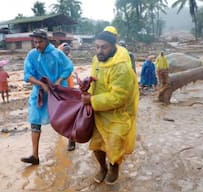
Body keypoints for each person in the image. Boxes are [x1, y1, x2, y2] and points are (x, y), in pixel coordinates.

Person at [81, 31, 139, 184]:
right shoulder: (96, 60)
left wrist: (92, 100)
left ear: (114, 46)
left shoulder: (122, 68)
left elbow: (119, 98)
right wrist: (87, 83)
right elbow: (95, 79)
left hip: (118, 114)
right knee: (97, 144)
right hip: (98, 112)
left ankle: (114, 168)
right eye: (97, 47)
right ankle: (102, 167)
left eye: (104, 47)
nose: (99, 51)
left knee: (114, 145)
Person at [21, 29, 73, 165]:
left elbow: (68, 67)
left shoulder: (57, 54)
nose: (37, 45)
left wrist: (58, 81)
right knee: (35, 120)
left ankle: (71, 138)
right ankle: (35, 156)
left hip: (57, 92)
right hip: (40, 93)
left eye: (40, 42)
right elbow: (27, 75)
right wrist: (41, 85)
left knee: (64, 118)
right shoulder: (31, 55)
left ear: (47, 40)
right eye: (35, 42)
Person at [58, 42, 76, 151]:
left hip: (69, 91)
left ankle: (71, 141)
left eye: (68, 50)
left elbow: (70, 74)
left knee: (70, 117)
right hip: (61, 91)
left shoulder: (68, 61)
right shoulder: (57, 61)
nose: (67, 52)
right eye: (65, 50)